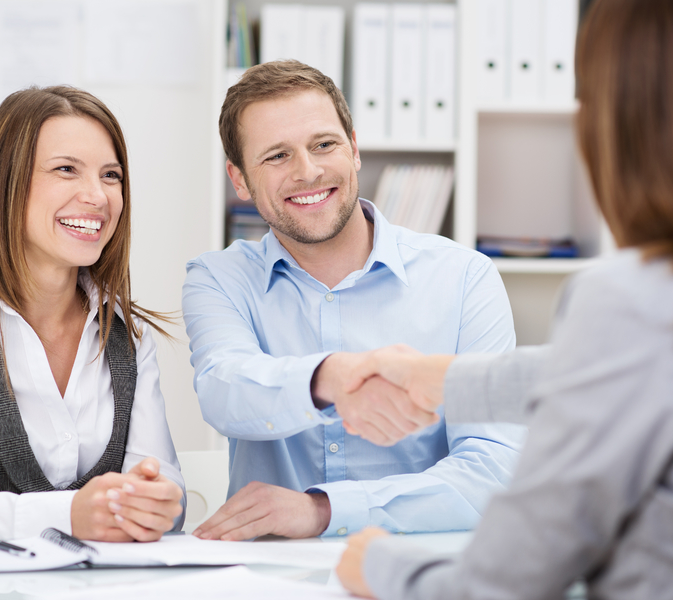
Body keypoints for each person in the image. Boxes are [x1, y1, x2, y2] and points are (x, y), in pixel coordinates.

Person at [335, 0, 673, 597]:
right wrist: (442, 377)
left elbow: (503, 583)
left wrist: (379, 565)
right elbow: (639, 373)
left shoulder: (629, 300)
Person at [182, 60, 524, 542]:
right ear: (239, 180)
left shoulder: (465, 277)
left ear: (355, 149)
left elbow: (493, 472)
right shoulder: (218, 279)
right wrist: (332, 377)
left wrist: (324, 511)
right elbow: (224, 389)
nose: (308, 171)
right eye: (277, 156)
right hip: (271, 578)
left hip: (416, 571)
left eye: (324, 144)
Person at [0, 86, 185, 543]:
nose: (98, 196)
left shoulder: (127, 333)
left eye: (111, 175)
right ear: (6, 182)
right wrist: (66, 514)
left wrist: (158, 505)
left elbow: (166, 493)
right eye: (66, 170)